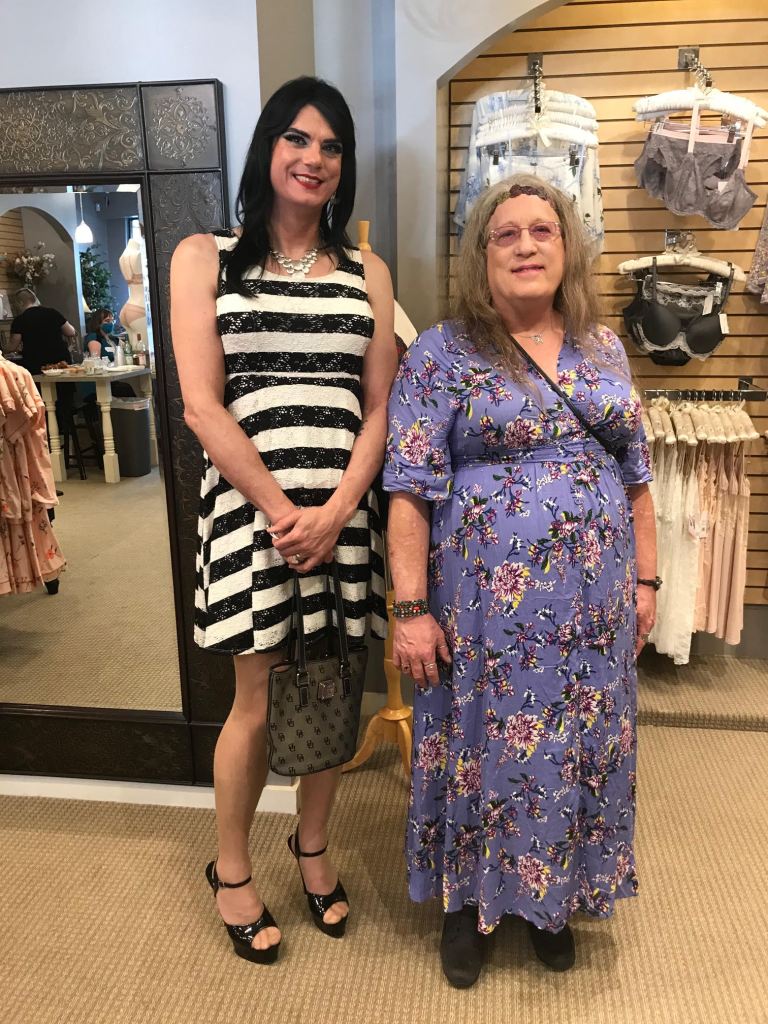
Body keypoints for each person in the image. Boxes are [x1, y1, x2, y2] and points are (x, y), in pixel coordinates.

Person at [383, 175, 657, 988]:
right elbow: (409, 491)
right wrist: (410, 608)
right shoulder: (442, 353)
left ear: (567, 248)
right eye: (506, 234)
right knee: (477, 747)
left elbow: (637, 477)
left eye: (543, 230)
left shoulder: (603, 348)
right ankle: (467, 905)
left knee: (575, 747)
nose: (527, 245)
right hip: (481, 615)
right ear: (482, 255)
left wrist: (647, 582)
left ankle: (554, 900)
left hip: (593, 612)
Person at [170, 76, 395, 965]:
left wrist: (335, 513)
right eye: (297, 138)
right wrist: (283, 511)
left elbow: (379, 409)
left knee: (332, 688)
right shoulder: (206, 257)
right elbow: (201, 404)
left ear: (344, 167)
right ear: (268, 147)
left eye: (332, 146)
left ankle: (313, 850)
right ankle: (230, 869)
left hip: (342, 519)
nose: (314, 158)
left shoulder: (368, 271)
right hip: (251, 516)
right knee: (256, 701)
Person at [8, 288, 76, 374]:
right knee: (64, 382)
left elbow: (12, 346)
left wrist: (4, 349)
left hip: (36, 363)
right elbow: (71, 332)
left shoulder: (19, 320)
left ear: (20, 303)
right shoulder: (52, 312)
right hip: (61, 360)